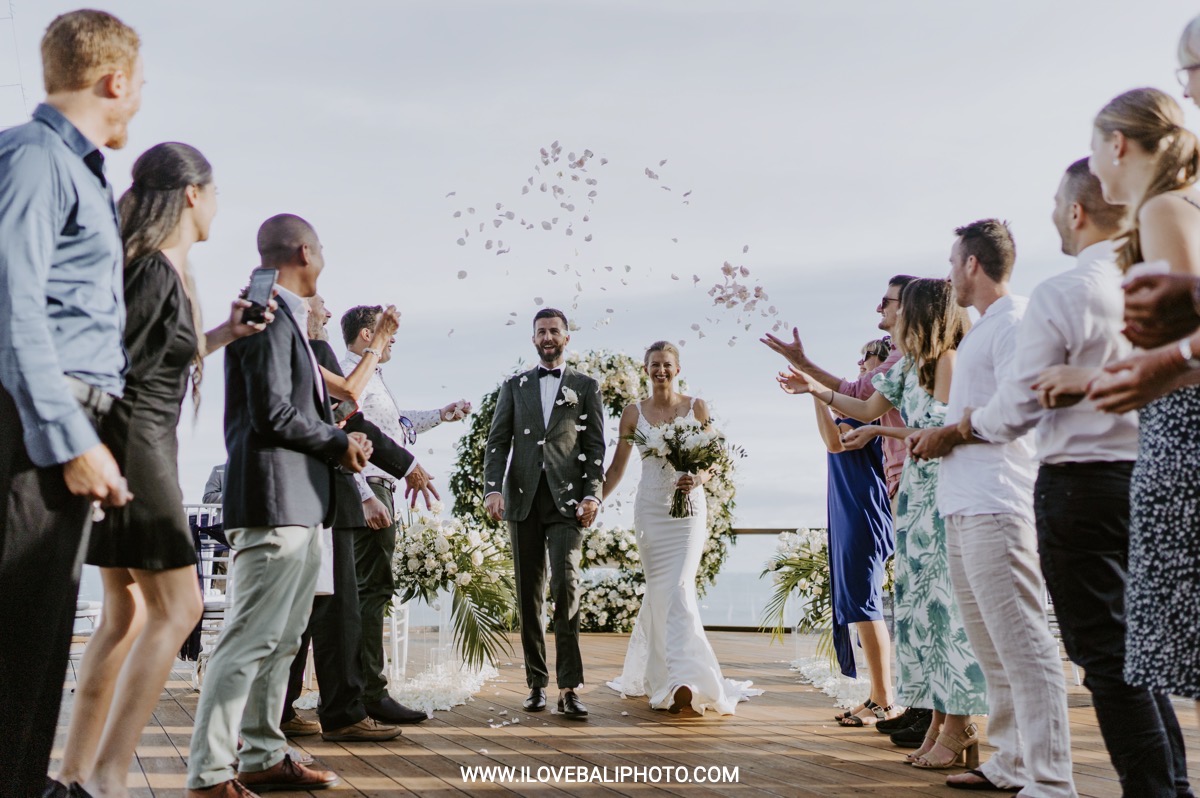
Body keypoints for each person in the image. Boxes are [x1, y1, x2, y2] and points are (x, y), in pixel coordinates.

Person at [52, 143, 275, 798]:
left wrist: (225, 335)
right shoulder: (153, 271)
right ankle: (107, 777)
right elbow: (111, 374)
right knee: (180, 606)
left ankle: (74, 776)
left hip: (134, 450)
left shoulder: (153, 271)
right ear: (191, 194)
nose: (218, 208)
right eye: (216, 194)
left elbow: (152, 359)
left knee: (123, 614)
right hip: (137, 452)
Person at [0, 11, 142, 796]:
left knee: (38, 646)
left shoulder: (78, 171)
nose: (139, 102)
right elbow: (12, 307)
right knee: (15, 646)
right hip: (31, 429)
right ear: (115, 80)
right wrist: (71, 438)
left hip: (58, 424)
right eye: (140, 86)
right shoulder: (33, 158)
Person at [185, 214, 372, 797]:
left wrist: (336, 437)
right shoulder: (264, 312)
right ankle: (209, 773)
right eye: (323, 251)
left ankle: (263, 754)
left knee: (284, 639)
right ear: (305, 252)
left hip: (298, 503)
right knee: (248, 638)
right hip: (272, 504)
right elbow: (271, 413)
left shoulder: (282, 315)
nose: (325, 262)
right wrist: (338, 442)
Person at [781, 278, 984, 768]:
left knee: (943, 609)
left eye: (903, 307)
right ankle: (937, 722)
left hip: (941, 490)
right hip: (910, 493)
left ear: (925, 313)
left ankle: (957, 724)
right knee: (918, 611)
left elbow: (944, 431)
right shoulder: (906, 367)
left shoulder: (948, 362)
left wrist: (878, 431)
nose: (894, 317)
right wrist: (815, 389)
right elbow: (863, 404)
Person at [908, 219, 1075, 794]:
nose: (950, 273)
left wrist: (950, 434)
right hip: (963, 504)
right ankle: (1012, 760)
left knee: (1024, 643)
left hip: (998, 504)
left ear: (972, 264)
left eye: (953, 262)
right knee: (993, 648)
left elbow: (1021, 406)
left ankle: (1051, 779)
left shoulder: (1016, 322)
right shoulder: (983, 330)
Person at [1079, 87, 1200, 790]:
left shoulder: (1163, 210)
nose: (1094, 167)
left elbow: (1183, 347)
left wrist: (1154, 368)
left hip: (1183, 442)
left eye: (1095, 149)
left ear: (1117, 144)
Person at [276, 292, 433, 741]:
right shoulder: (316, 352)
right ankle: (344, 714)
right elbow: (348, 415)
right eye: (320, 305)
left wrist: (405, 462)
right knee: (338, 611)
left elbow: (349, 421)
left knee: (305, 612)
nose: (326, 312)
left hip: (305, 495)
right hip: (328, 495)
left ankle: (282, 709)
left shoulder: (291, 349)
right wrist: (393, 467)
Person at [602, 341, 761, 714]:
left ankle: (685, 679)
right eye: (654, 364)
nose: (661, 370)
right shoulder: (633, 412)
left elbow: (715, 459)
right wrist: (594, 501)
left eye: (667, 364)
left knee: (678, 587)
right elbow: (617, 467)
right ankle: (665, 677)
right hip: (650, 511)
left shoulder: (696, 407)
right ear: (645, 369)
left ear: (677, 369)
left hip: (688, 511)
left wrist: (698, 478)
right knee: (660, 591)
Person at [338, 303, 466, 723]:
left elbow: (395, 428)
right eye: (385, 331)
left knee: (371, 590)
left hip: (381, 487)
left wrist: (439, 416)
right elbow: (343, 433)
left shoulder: (372, 378)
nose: (392, 338)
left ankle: (362, 689)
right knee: (371, 591)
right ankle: (370, 693)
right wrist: (363, 495)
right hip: (369, 489)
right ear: (366, 335)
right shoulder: (349, 375)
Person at [483, 308, 605, 719]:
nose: (548, 337)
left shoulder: (586, 386)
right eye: (541, 332)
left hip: (567, 504)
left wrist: (593, 496)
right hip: (522, 501)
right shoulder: (513, 386)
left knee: (566, 587)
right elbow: (498, 442)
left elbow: (595, 447)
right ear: (533, 339)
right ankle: (536, 683)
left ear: (567, 337)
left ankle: (569, 688)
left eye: (554, 331)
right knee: (529, 594)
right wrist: (492, 490)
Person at [781, 338, 895, 726]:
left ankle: (885, 700)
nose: (861, 363)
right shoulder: (857, 405)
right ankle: (876, 695)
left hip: (864, 509)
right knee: (861, 605)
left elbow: (834, 442)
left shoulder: (871, 407)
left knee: (866, 604)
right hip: (849, 508)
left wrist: (815, 393)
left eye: (868, 357)